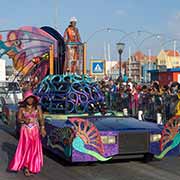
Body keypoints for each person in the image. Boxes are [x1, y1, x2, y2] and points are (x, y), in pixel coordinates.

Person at [8, 90, 46, 176]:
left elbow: (41, 119)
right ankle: (26, 167)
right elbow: (18, 119)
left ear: (34, 99)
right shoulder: (21, 109)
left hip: (35, 130)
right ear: (25, 100)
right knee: (26, 148)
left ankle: (33, 166)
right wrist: (24, 120)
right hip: (25, 131)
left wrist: (42, 128)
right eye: (28, 99)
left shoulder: (38, 108)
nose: (30, 100)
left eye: (31, 98)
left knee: (34, 148)